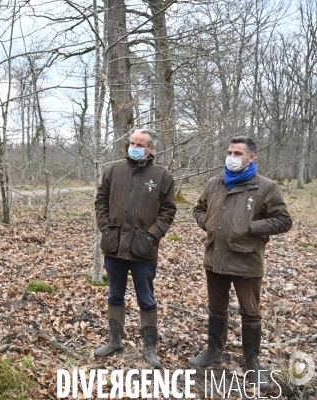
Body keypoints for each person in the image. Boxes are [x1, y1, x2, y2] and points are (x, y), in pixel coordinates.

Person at [190, 136, 292, 391]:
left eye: (238, 153)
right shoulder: (215, 183)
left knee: (250, 311)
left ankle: (251, 361)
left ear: (251, 157)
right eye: (229, 152)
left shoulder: (266, 187)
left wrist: (252, 227)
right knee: (216, 308)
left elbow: (283, 220)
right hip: (215, 256)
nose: (232, 157)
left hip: (247, 260)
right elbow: (198, 209)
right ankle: (213, 352)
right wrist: (207, 223)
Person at [94, 128, 176, 368]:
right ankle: (114, 340)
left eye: (140, 144)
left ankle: (150, 348)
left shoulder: (161, 176)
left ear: (151, 149)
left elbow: (168, 210)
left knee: (146, 298)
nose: (134, 147)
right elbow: (101, 200)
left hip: (143, 249)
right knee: (114, 294)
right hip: (114, 246)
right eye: (132, 143)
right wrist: (105, 227)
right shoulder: (114, 171)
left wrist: (152, 235)